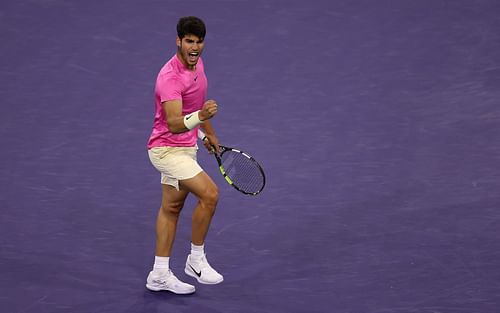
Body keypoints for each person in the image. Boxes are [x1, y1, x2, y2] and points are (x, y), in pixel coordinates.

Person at [145, 16, 223, 295]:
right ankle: (196, 260)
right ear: (178, 41)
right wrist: (200, 118)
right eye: (189, 41)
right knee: (210, 195)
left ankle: (159, 274)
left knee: (171, 208)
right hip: (166, 150)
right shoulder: (168, 78)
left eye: (199, 41)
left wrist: (208, 133)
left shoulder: (197, 64)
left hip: (186, 147)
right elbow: (175, 123)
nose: (195, 47)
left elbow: (196, 103)